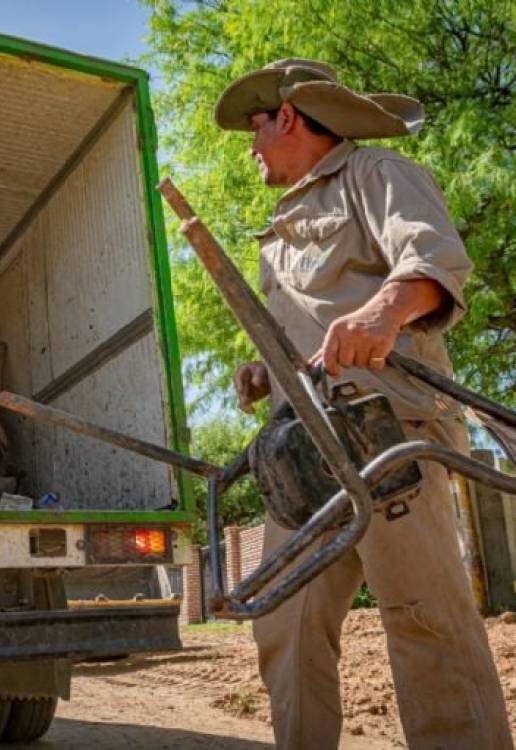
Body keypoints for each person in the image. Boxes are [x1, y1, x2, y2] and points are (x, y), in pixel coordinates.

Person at [215, 59, 512, 749]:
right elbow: (319, 326)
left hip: (389, 433)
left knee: (424, 621)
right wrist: (272, 368)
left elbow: (434, 264)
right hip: (304, 448)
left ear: (287, 116)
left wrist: (384, 314)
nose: (251, 147)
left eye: (255, 130)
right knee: (283, 619)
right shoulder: (284, 220)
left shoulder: (376, 174)